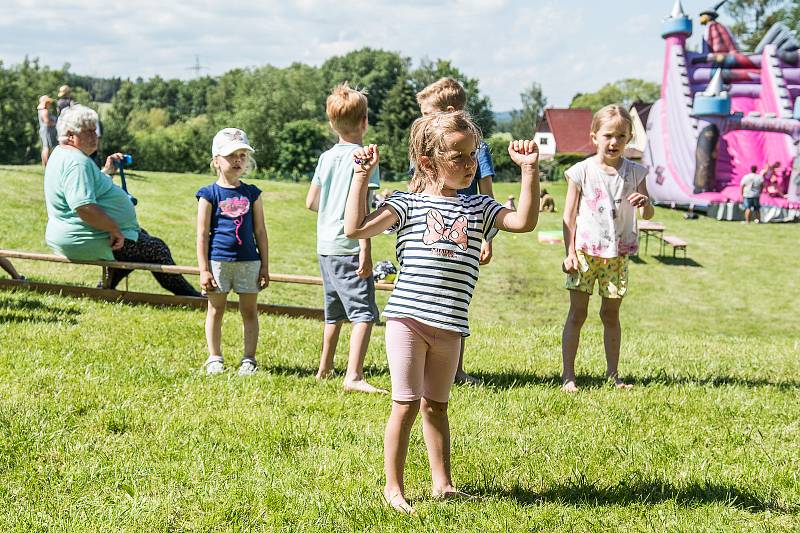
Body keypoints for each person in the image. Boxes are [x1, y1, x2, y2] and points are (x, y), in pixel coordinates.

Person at [344, 111, 541, 513]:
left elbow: (523, 221)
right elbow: (355, 228)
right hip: (408, 321)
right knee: (406, 403)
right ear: (428, 162)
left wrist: (529, 172)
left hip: (450, 326)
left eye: (473, 155)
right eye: (459, 156)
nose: (470, 164)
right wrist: (361, 176)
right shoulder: (406, 203)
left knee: (437, 404)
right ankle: (393, 488)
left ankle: (442, 484)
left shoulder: (480, 207)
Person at [43, 104, 200, 296]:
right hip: (84, 238)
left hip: (73, 233)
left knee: (140, 238)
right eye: (89, 131)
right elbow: (83, 206)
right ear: (70, 135)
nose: (95, 136)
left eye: (95, 130)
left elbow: (85, 188)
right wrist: (113, 228)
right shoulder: (77, 162)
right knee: (155, 249)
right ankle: (191, 297)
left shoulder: (62, 154)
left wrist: (107, 171)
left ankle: (106, 288)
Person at [561, 104, 654, 393]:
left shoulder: (637, 173)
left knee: (610, 315)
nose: (614, 142)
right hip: (585, 253)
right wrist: (569, 253)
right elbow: (569, 215)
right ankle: (568, 376)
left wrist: (646, 204)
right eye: (608, 135)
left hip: (617, 254)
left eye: (622, 136)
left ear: (628, 139)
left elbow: (648, 214)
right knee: (577, 314)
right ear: (594, 137)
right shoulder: (581, 171)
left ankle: (613, 375)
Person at [415, 77, 497, 385]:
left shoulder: (476, 149)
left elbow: (487, 192)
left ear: (449, 111)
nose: (423, 120)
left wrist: (487, 237)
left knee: (455, 298)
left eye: (428, 114)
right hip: (432, 232)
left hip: (466, 231)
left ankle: (455, 368)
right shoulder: (429, 149)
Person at [305, 83, 385, 394]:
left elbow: (311, 202)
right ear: (365, 122)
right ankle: (353, 375)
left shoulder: (326, 158)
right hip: (350, 247)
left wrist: (331, 209)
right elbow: (363, 210)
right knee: (364, 313)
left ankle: (324, 368)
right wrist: (365, 249)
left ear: (331, 123)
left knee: (334, 312)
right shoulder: (363, 159)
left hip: (325, 246)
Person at [197, 128, 269, 375]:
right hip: (218, 262)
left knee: (249, 311)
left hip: (249, 262)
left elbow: (260, 231)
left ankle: (249, 359)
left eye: (242, 155)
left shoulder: (252, 194)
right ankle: (214, 357)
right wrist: (204, 269)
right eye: (231, 155)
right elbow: (202, 234)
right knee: (215, 310)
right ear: (216, 160)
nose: (238, 160)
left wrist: (265, 266)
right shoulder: (208, 195)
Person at [37, 95, 58, 167]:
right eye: (48, 102)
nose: (49, 104)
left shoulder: (41, 110)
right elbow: (47, 122)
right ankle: (46, 164)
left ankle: (45, 164)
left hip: (45, 130)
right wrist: (57, 123)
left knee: (45, 147)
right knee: (47, 147)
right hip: (47, 130)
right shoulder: (45, 111)